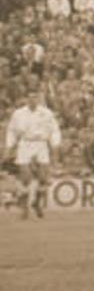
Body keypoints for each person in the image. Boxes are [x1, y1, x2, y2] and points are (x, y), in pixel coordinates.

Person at [4, 90, 61, 219]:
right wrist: (9, 147)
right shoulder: (18, 114)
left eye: (35, 97)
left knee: (43, 178)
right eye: (30, 97)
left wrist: (55, 146)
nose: (33, 100)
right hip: (25, 143)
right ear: (26, 99)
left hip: (41, 144)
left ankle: (36, 202)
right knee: (26, 178)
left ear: (39, 98)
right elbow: (12, 131)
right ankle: (24, 209)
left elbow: (54, 130)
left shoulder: (46, 113)